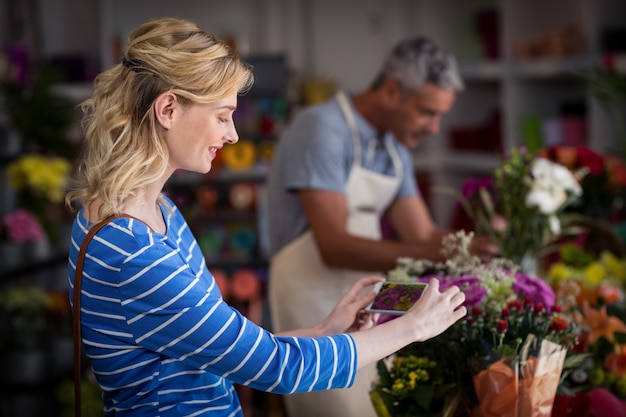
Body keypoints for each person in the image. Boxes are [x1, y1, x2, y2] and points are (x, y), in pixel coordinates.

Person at [65, 17, 467, 417]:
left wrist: (325, 330)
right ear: (168, 108)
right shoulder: (135, 253)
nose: (233, 134)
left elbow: (222, 351)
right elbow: (279, 368)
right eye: (222, 115)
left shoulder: (154, 213)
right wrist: (413, 328)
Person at [266, 36, 499, 417]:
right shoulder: (322, 129)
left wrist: (482, 250)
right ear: (392, 92)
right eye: (427, 112)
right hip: (309, 304)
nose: (435, 128)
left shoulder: (394, 149)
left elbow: (422, 235)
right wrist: (442, 251)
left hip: (365, 303)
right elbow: (333, 246)